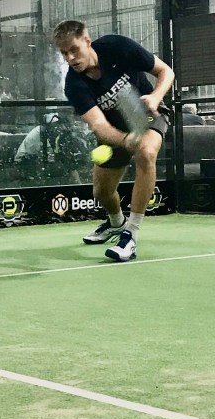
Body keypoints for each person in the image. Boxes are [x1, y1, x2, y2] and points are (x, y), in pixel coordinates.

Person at [53, 20, 174, 262]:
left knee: (147, 153)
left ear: (88, 42)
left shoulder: (118, 47)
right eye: (64, 53)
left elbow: (166, 71)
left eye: (74, 50)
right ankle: (116, 223)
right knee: (102, 193)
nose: (70, 58)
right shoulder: (74, 85)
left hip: (147, 114)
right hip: (116, 130)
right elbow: (99, 126)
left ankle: (130, 235)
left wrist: (155, 96)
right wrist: (126, 139)